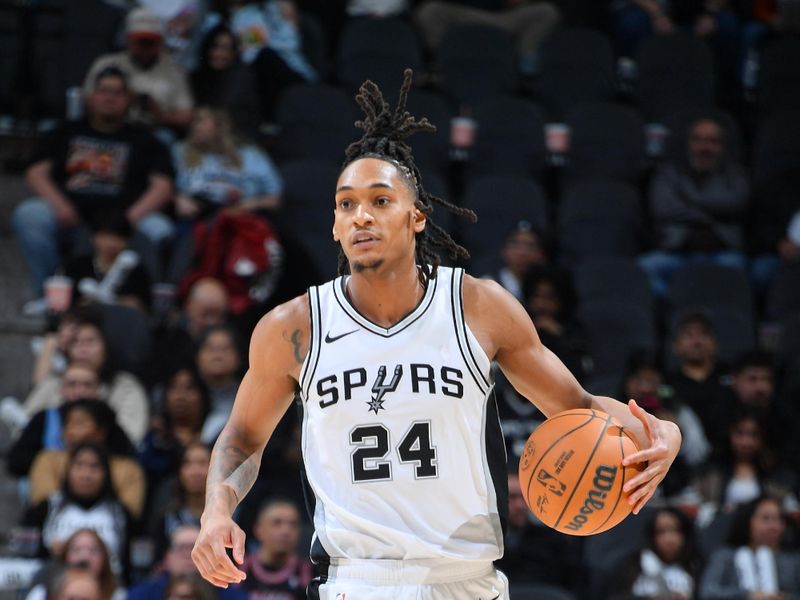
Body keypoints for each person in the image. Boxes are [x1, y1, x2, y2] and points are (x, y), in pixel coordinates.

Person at [191, 70, 681, 599]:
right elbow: (242, 437)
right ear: (333, 225)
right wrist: (216, 509)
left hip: (466, 581)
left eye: (380, 200)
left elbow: (577, 407)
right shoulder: (293, 328)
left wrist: (658, 433)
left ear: (417, 216)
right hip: (356, 581)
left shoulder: (477, 307)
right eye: (346, 204)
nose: (361, 216)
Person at [11, 66, 174, 309]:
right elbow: (36, 173)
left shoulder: (145, 140)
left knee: (159, 228)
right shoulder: (66, 132)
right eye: (104, 91)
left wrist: (128, 220)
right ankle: (51, 297)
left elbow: (163, 186)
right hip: (72, 218)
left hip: (124, 224)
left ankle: (145, 305)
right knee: (30, 214)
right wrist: (60, 206)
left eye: (118, 93)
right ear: (90, 96)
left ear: (128, 99)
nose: (110, 97)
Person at [638, 117, 750, 298]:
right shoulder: (669, 173)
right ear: (689, 144)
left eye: (712, 141)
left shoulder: (735, 174)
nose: (704, 148)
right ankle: (676, 304)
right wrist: (711, 215)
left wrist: (688, 199)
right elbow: (664, 209)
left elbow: (736, 203)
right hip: (676, 254)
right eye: (698, 140)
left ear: (722, 147)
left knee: (737, 268)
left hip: (721, 254)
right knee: (644, 268)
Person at [24, 318, 149, 444]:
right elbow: (24, 430)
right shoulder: (51, 384)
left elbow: (131, 437)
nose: (83, 349)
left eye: (90, 342)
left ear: (106, 348)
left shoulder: (125, 386)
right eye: (75, 342)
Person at [22, 444, 132, 577]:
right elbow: (26, 553)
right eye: (79, 465)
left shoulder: (120, 513)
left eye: (94, 467)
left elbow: (132, 561)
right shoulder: (46, 508)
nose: (86, 475)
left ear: (106, 473)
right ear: (68, 470)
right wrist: (49, 551)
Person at [27, 399, 145, 519]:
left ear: (101, 431)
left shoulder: (128, 469)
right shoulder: (48, 460)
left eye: (79, 424)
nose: (69, 432)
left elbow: (130, 515)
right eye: (67, 423)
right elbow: (42, 504)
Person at [83, 8, 194, 130]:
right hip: (111, 128)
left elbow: (186, 116)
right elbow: (87, 98)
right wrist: (120, 101)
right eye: (140, 42)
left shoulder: (175, 72)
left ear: (161, 42)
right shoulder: (105, 63)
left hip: (155, 130)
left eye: (150, 42)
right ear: (128, 40)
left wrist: (160, 114)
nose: (145, 47)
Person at [699, 495, 800, 598]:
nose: (773, 526)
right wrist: (747, 595)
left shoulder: (793, 560)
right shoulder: (725, 556)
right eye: (765, 519)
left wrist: (784, 598)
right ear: (748, 521)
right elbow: (708, 592)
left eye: (778, 519)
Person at [665, 312, 731, 446]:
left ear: (715, 343)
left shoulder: (732, 377)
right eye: (688, 335)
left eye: (703, 334)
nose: (696, 341)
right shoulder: (667, 383)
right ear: (675, 346)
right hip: (683, 458)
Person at [127, 525, 245, 600]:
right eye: (181, 547)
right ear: (167, 557)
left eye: (197, 547)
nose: (189, 555)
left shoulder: (233, 597)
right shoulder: (141, 595)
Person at [609, 506, 703, 600]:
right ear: (652, 536)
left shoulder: (697, 567)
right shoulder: (633, 565)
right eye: (661, 531)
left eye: (675, 530)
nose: (669, 539)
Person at [190, 25, 262, 134]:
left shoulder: (241, 79)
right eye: (214, 47)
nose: (218, 54)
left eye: (225, 49)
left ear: (233, 53)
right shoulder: (197, 77)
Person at [240, 498, 313, 600]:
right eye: (277, 523)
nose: (286, 531)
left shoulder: (309, 575)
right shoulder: (239, 570)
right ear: (259, 529)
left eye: (293, 524)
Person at [24, 528, 124, 600]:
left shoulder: (118, 595)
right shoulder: (41, 594)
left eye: (93, 551)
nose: (85, 557)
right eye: (77, 550)